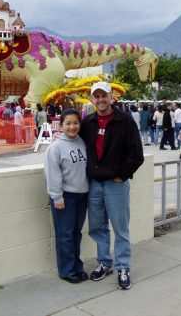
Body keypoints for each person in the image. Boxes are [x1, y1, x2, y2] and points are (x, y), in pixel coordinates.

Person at [78, 81, 144, 290]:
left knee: (120, 228)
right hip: (94, 185)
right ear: (92, 99)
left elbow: (136, 154)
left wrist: (122, 176)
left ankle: (123, 266)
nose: (100, 100)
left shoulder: (124, 120)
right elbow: (77, 145)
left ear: (111, 96)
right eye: (96, 96)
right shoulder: (87, 122)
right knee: (98, 227)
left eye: (104, 95)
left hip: (116, 185)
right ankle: (105, 263)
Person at [44, 109, 89, 284]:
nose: (72, 127)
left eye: (76, 123)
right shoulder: (55, 147)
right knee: (65, 234)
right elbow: (52, 173)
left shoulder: (83, 142)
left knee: (76, 233)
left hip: (82, 195)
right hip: (65, 197)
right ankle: (66, 270)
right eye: (68, 123)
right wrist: (57, 197)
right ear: (60, 125)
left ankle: (77, 267)